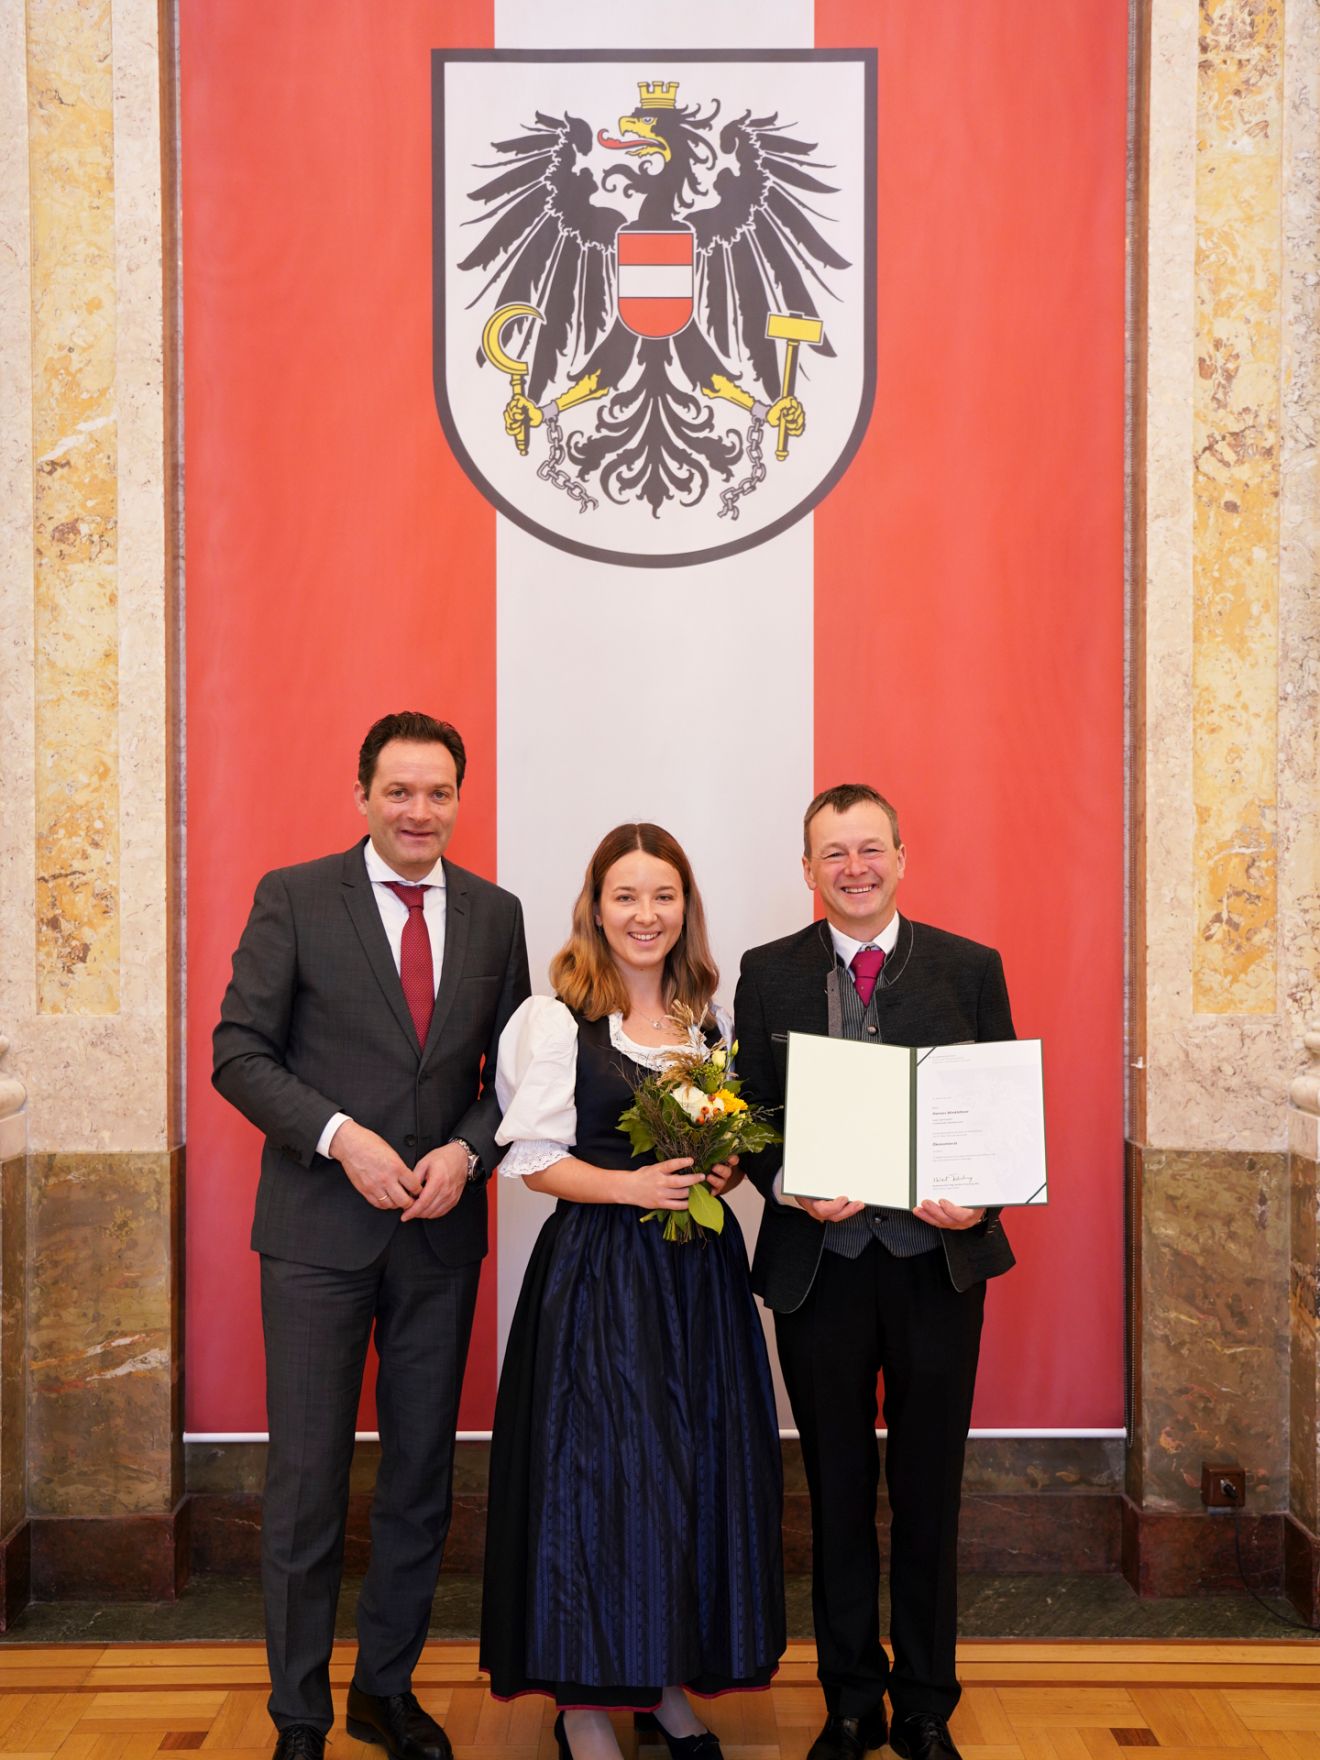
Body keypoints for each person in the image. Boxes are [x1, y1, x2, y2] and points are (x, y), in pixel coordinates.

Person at [213, 710, 530, 1760]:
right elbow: (239, 1052)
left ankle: (383, 1689)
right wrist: (342, 1137)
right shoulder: (295, 896)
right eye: (399, 790)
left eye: (438, 791)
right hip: (315, 1234)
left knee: (419, 1474)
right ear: (361, 796)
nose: (419, 810)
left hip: (438, 1238)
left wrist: (469, 1151)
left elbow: (515, 1078)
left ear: (458, 797)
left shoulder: (495, 913)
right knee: (306, 1482)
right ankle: (299, 1715)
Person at [480, 823, 785, 1760]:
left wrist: (723, 1175)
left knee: (687, 1479)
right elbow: (531, 1162)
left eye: (663, 896)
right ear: (596, 908)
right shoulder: (552, 1019)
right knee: (601, 1481)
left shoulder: (707, 1021)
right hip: (599, 1282)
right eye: (626, 896)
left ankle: (660, 1685)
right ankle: (582, 1704)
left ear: (684, 909)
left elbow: (714, 1148)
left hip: (697, 1282)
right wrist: (630, 1187)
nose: (645, 914)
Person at [733, 785, 1017, 1760]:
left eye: (869, 848)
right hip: (822, 1266)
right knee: (838, 1482)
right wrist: (788, 1185)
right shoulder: (765, 972)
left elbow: (997, 1111)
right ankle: (851, 1695)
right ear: (806, 870)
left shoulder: (968, 967)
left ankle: (926, 1701)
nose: (853, 866)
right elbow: (750, 1118)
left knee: (930, 1485)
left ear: (902, 855)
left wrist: (981, 1196)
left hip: (937, 1263)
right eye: (832, 853)